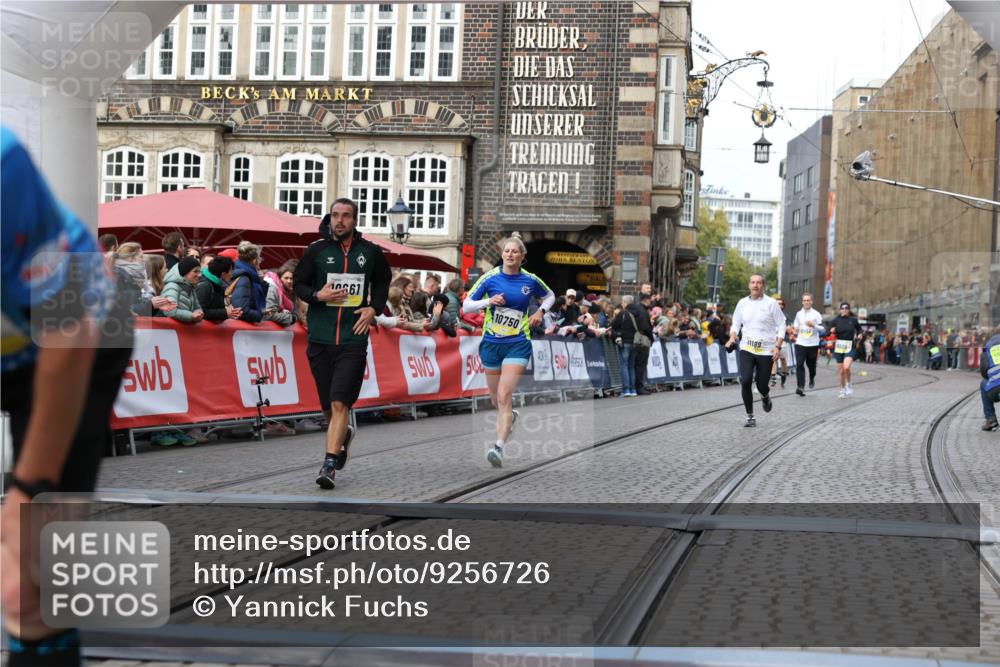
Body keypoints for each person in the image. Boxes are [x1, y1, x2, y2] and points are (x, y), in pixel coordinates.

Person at [1, 126, 133, 667]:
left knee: (30, 575)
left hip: (81, 336)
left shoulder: (3, 164)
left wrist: (28, 489)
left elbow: (70, 331)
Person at [294, 198, 392, 489]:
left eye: (346, 216)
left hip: (353, 338)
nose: (340, 221)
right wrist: (317, 296)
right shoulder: (317, 251)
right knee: (328, 404)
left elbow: (383, 281)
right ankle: (342, 435)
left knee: (340, 402)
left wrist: (374, 308)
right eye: (335, 215)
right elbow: (299, 283)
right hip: (320, 337)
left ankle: (328, 465)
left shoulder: (370, 252)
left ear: (354, 219)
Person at [463, 232, 554, 467]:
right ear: (502, 254)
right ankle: (511, 417)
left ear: (522, 256)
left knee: (505, 394)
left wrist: (540, 312)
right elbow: (466, 306)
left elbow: (550, 296)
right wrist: (489, 301)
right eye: (507, 251)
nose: (510, 254)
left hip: (518, 343)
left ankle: (498, 447)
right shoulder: (490, 278)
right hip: (491, 344)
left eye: (515, 251)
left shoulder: (530, 280)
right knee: (496, 399)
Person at [725, 274, 785, 427]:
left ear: (763, 286)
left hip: (766, 350)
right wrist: (732, 338)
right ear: (749, 285)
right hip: (747, 348)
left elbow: (781, 324)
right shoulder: (742, 303)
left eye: (758, 283)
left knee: (761, 385)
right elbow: (736, 324)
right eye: (753, 282)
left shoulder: (771, 303)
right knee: (745, 381)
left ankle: (765, 396)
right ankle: (750, 416)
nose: (755, 285)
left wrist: (777, 346)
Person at [828, 301, 863, 398]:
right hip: (839, 347)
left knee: (846, 367)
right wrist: (831, 331)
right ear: (840, 310)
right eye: (842, 308)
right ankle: (843, 389)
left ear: (848, 310)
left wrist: (860, 334)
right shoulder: (835, 320)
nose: (844, 310)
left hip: (850, 346)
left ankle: (849, 383)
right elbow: (827, 332)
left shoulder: (853, 320)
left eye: (846, 308)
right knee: (841, 371)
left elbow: (859, 329)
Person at [792, 292, 823, 396]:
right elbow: (795, 323)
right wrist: (795, 328)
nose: (806, 302)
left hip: (812, 344)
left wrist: (814, 325)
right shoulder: (798, 314)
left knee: (811, 365)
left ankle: (812, 377)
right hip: (800, 343)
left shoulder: (816, 314)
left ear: (811, 302)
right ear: (802, 302)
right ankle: (800, 387)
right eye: (804, 300)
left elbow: (822, 328)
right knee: (799, 364)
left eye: (808, 300)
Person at [229, 241, 268, 323]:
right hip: (241, 326)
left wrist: (261, 282)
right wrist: (260, 315)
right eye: (259, 259)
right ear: (254, 260)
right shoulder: (244, 277)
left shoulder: (249, 275)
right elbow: (241, 310)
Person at [161, 256, 205, 324]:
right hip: (170, 330)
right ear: (185, 272)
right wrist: (191, 316)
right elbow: (170, 311)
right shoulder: (172, 287)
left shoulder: (190, 286)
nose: (199, 275)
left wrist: (199, 313)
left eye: (199, 271)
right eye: (195, 271)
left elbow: (197, 307)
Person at [197, 256, 240, 323]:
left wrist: (230, 311)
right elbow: (200, 312)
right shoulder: (205, 286)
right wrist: (225, 312)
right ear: (223, 274)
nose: (232, 274)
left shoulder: (218, 284)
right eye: (231, 271)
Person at [770, 295, 794, 389]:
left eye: (780, 304)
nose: (779, 305)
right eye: (777, 303)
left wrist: (789, 329)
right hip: (773, 341)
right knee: (774, 359)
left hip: (783, 341)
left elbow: (790, 329)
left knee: (783, 360)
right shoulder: (771, 314)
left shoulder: (786, 316)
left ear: (783, 306)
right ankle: (773, 379)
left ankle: (784, 376)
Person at [981, 329, 1000, 431]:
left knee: (983, 383)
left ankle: (991, 418)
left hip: (996, 390)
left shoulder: (988, 346)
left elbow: (984, 372)